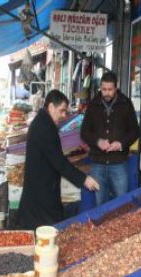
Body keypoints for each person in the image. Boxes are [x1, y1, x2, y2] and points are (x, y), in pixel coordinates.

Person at [17, 90, 99, 229]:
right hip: (42, 192)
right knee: (49, 229)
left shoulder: (43, 121)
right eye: (61, 111)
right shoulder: (45, 127)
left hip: (40, 188)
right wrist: (84, 179)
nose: (64, 115)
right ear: (50, 107)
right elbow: (59, 162)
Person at [81, 71, 140, 205]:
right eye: (104, 89)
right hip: (98, 163)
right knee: (100, 203)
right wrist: (97, 141)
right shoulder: (93, 104)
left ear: (116, 88)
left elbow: (135, 131)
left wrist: (121, 144)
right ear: (100, 87)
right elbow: (84, 132)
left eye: (110, 89)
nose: (106, 92)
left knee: (121, 204)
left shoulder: (126, 103)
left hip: (119, 163)